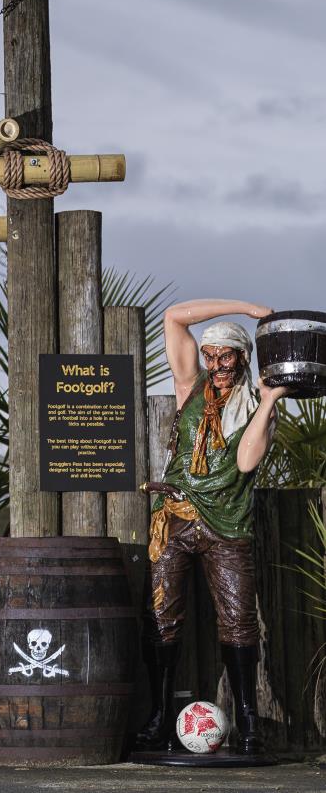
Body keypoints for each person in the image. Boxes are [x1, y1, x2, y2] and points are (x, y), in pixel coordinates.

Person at [134, 300, 289, 755]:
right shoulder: (190, 387)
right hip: (176, 519)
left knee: (239, 620)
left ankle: (248, 720)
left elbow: (245, 462)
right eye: (211, 356)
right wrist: (246, 307)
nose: (218, 365)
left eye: (228, 356)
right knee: (161, 617)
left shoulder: (255, 405)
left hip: (227, 525)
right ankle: (162, 716)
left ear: (244, 358)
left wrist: (270, 399)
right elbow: (175, 316)